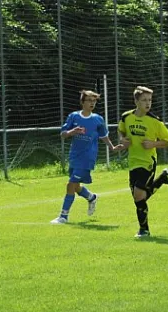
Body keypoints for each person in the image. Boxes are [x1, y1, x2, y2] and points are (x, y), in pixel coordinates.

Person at [115, 86, 168, 238]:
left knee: (138, 196)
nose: (148, 103)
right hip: (133, 161)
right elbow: (121, 130)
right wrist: (123, 139)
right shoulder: (126, 117)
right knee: (139, 198)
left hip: (148, 162)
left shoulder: (155, 121)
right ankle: (163, 179)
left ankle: (144, 230)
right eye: (144, 100)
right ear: (136, 101)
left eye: (150, 100)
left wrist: (153, 144)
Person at [51, 90, 118, 224]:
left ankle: (63, 216)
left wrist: (112, 147)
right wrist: (72, 132)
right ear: (82, 102)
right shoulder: (74, 117)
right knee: (76, 187)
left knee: (70, 185)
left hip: (88, 157)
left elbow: (104, 136)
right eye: (89, 100)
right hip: (75, 156)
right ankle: (91, 197)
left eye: (94, 101)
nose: (92, 103)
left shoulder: (98, 119)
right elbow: (63, 134)